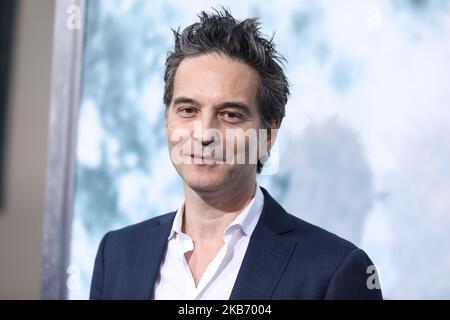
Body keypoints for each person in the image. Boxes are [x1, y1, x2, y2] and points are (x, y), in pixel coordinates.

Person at [90, 8, 382, 300]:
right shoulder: (116, 255)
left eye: (230, 115)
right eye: (188, 110)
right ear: (167, 120)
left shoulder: (333, 270)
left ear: (268, 134)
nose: (204, 134)